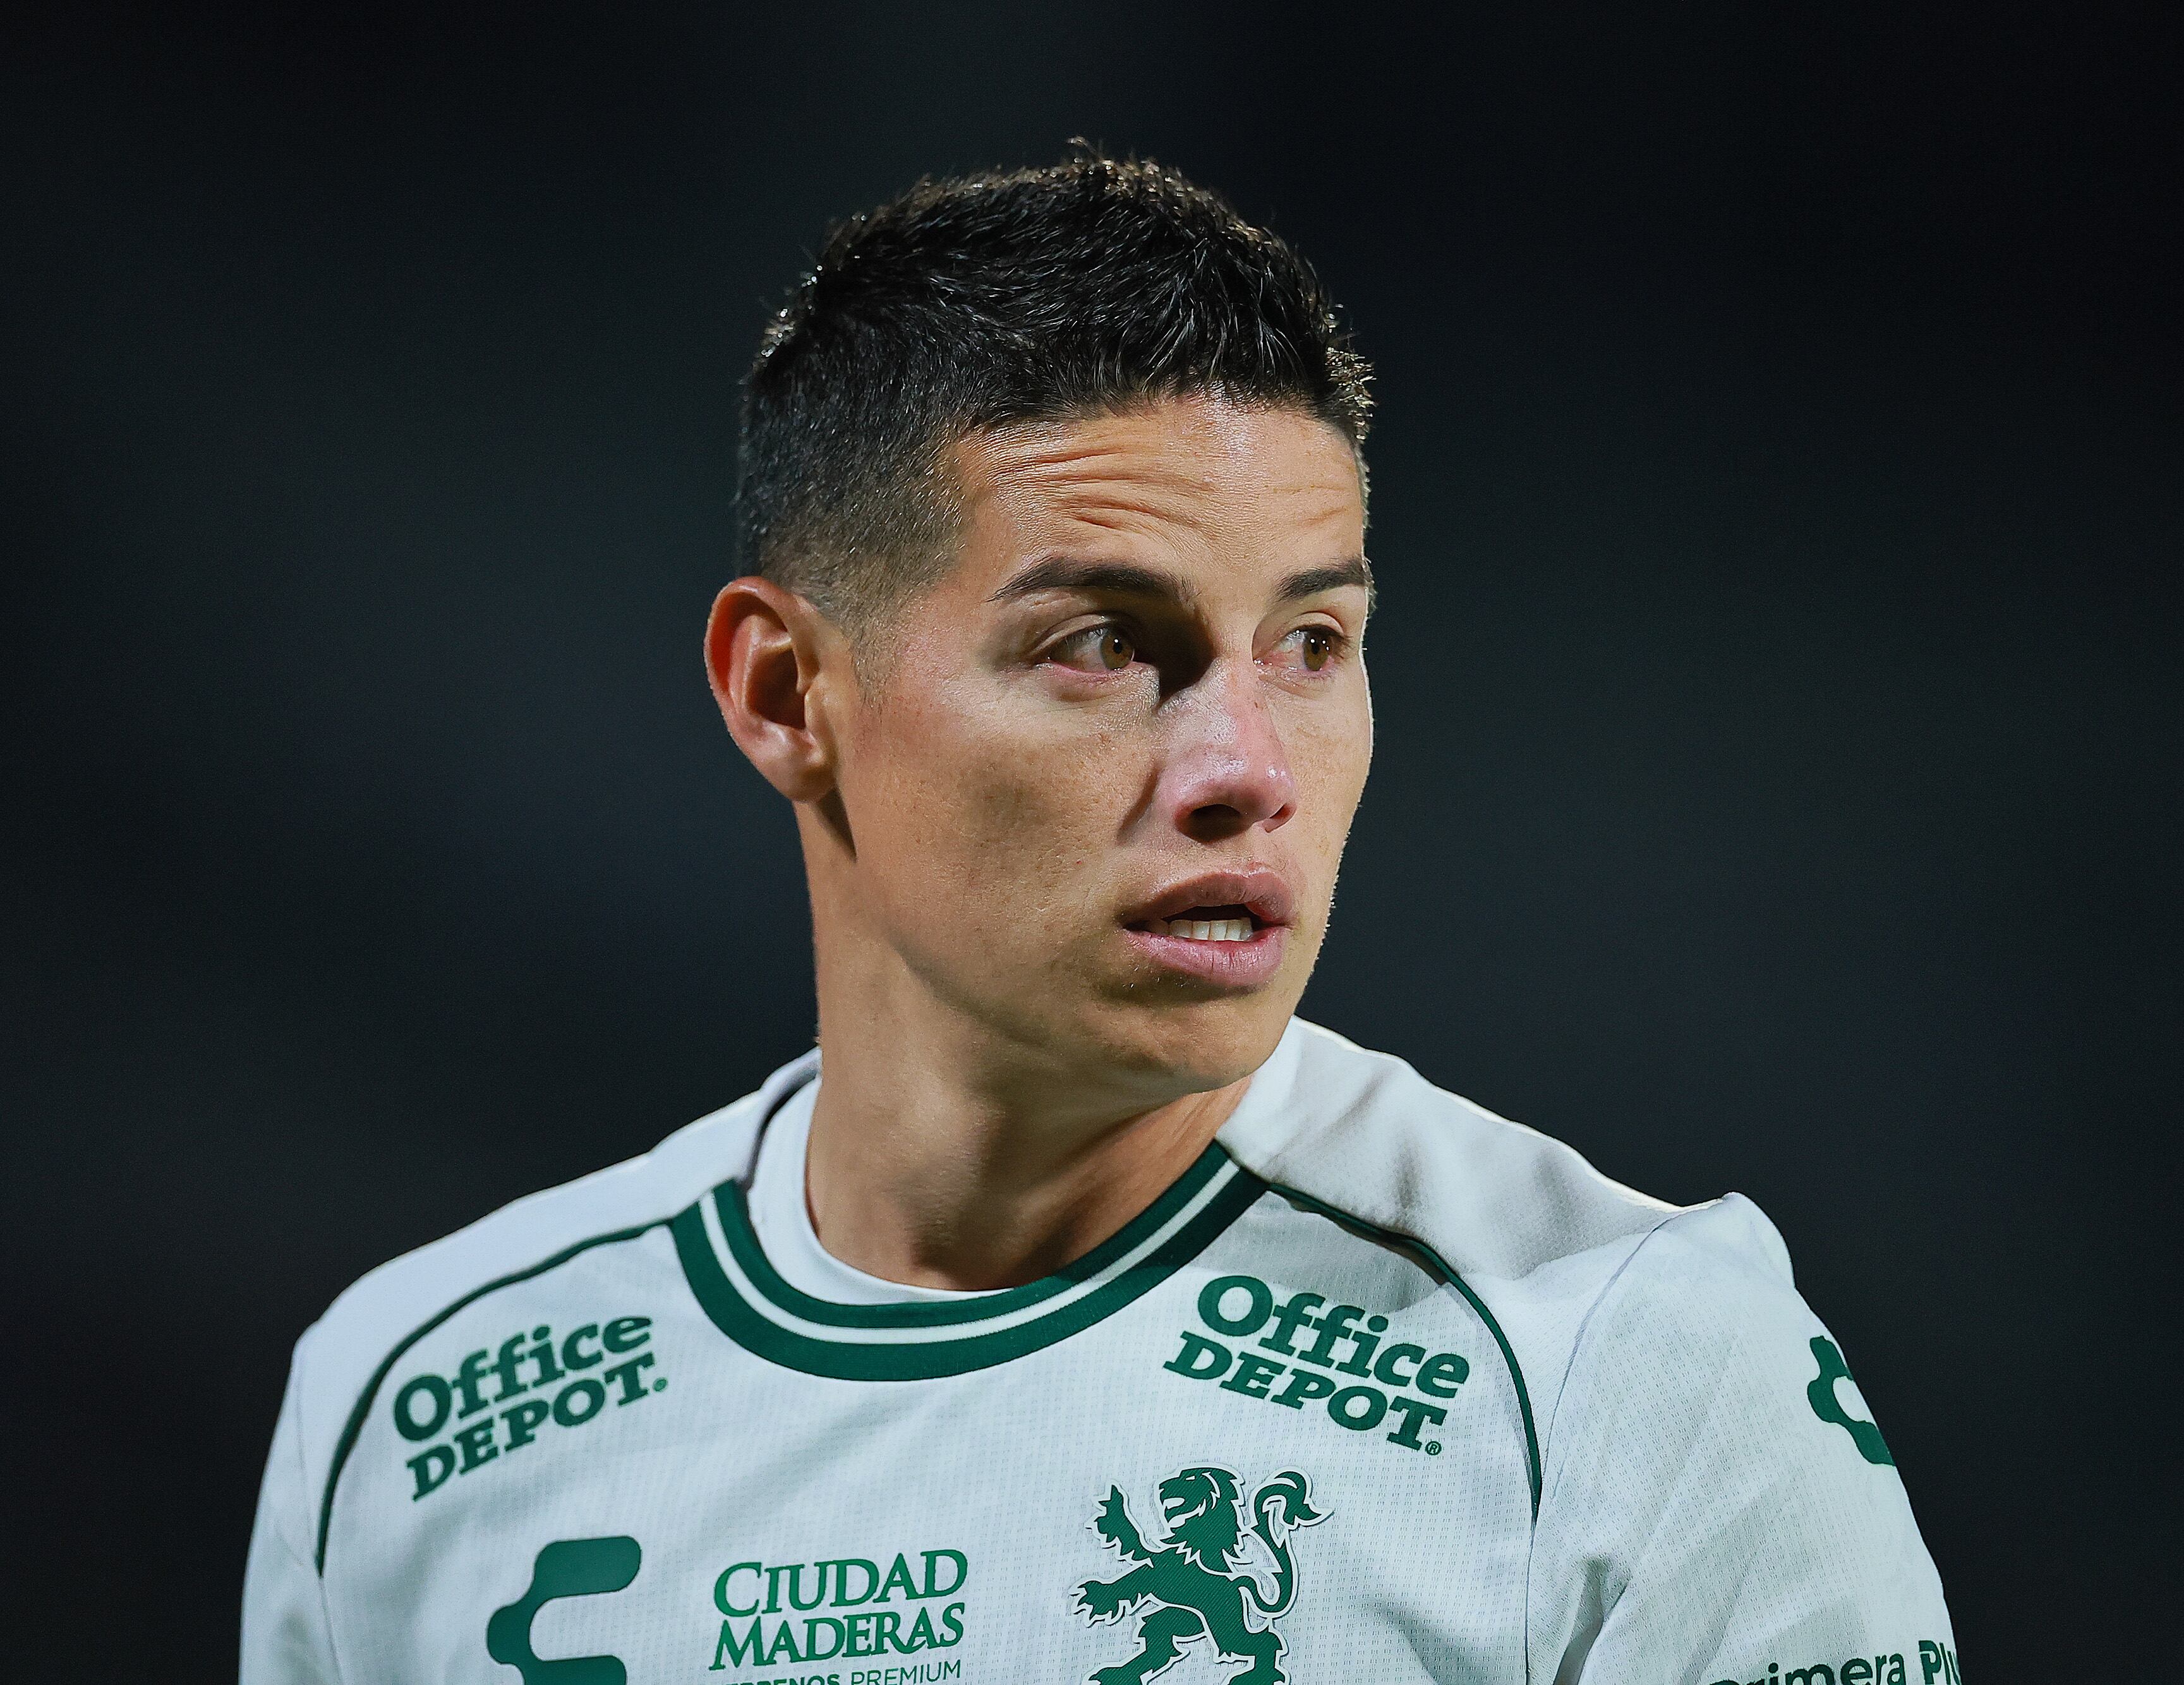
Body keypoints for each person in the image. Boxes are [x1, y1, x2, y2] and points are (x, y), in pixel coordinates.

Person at [243, 154, 1957, 1685]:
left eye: (1312, 645)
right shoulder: (416, 1416)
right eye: (1106, 645)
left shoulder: (1629, 1366)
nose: (1247, 770)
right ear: (784, 693)